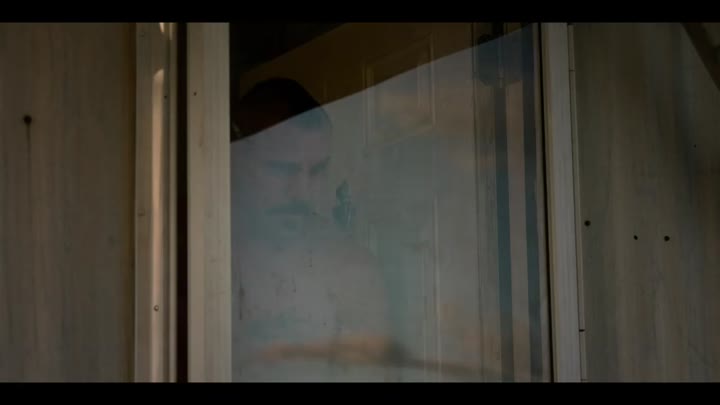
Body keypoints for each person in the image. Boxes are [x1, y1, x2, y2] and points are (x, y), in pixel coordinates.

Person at [230, 78, 398, 381]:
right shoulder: (192, 255)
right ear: (235, 160)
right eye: (282, 169)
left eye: (318, 170)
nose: (303, 192)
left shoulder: (352, 269)